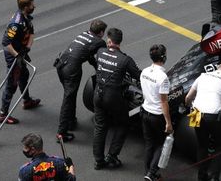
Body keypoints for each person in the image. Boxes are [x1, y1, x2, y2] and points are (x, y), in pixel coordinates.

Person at [93, 28, 141, 170]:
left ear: (109, 41)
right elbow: (139, 76)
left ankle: (98, 161)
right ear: (119, 42)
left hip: (97, 94)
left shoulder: (100, 52)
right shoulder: (125, 59)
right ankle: (112, 156)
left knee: (100, 127)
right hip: (113, 97)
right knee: (123, 123)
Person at [54, 19, 107, 142]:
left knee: (70, 95)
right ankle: (61, 133)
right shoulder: (99, 42)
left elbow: (88, 54)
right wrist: (100, 70)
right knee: (68, 98)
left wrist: (95, 66)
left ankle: (71, 121)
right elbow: (101, 58)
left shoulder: (84, 34)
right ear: (101, 32)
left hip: (61, 64)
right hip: (71, 70)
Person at [184, 62, 221, 181]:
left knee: (202, 145)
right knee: (220, 145)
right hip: (212, 115)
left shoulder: (202, 76)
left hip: (196, 113)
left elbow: (187, 98)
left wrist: (191, 106)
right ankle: (214, 177)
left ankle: (201, 177)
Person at [0, 0, 41, 125]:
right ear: (25, 7)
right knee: (11, 85)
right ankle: (2, 114)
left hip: (21, 52)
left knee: (24, 75)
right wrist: (17, 56)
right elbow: (6, 43)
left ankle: (27, 101)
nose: (34, 6)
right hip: (14, 56)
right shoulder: (16, 24)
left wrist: (27, 47)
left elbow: (32, 33)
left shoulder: (26, 18)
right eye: (32, 5)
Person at [140, 44, 173, 181]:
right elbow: (164, 102)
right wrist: (168, 123)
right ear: (163, 57)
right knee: (160, 144)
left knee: (149, 143)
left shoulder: (144, 72)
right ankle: (151, 173)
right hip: (157, 116)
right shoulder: (163, 78)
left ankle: (148, 171)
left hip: (144, 112)